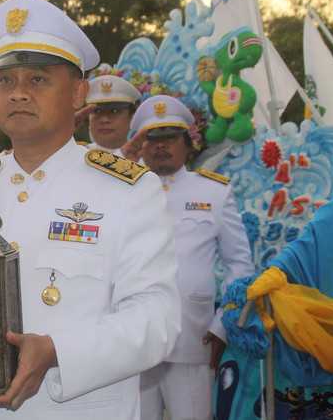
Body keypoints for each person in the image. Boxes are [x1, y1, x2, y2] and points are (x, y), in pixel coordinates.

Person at [0, 0, 181, 420]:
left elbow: (158, 320)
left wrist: (57, 352)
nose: (19, 93)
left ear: (78, 92)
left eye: (38, 80)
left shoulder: (129, 190)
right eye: (6, 81)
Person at [127, 95, 254, 420]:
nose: (161, 146)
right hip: (132, 337)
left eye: (170, 137)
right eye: (152, 139)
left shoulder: (213, 192)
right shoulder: (122, 192)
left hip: (193, 334)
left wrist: (222, 324)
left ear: (187, 144)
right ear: (141, 147)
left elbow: (239, 264)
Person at [83, 74, 141, 155]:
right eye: (97, 111)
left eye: (114, 111)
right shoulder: (76, 157)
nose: (104, 120)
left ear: (132, 117)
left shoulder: (148, 160)